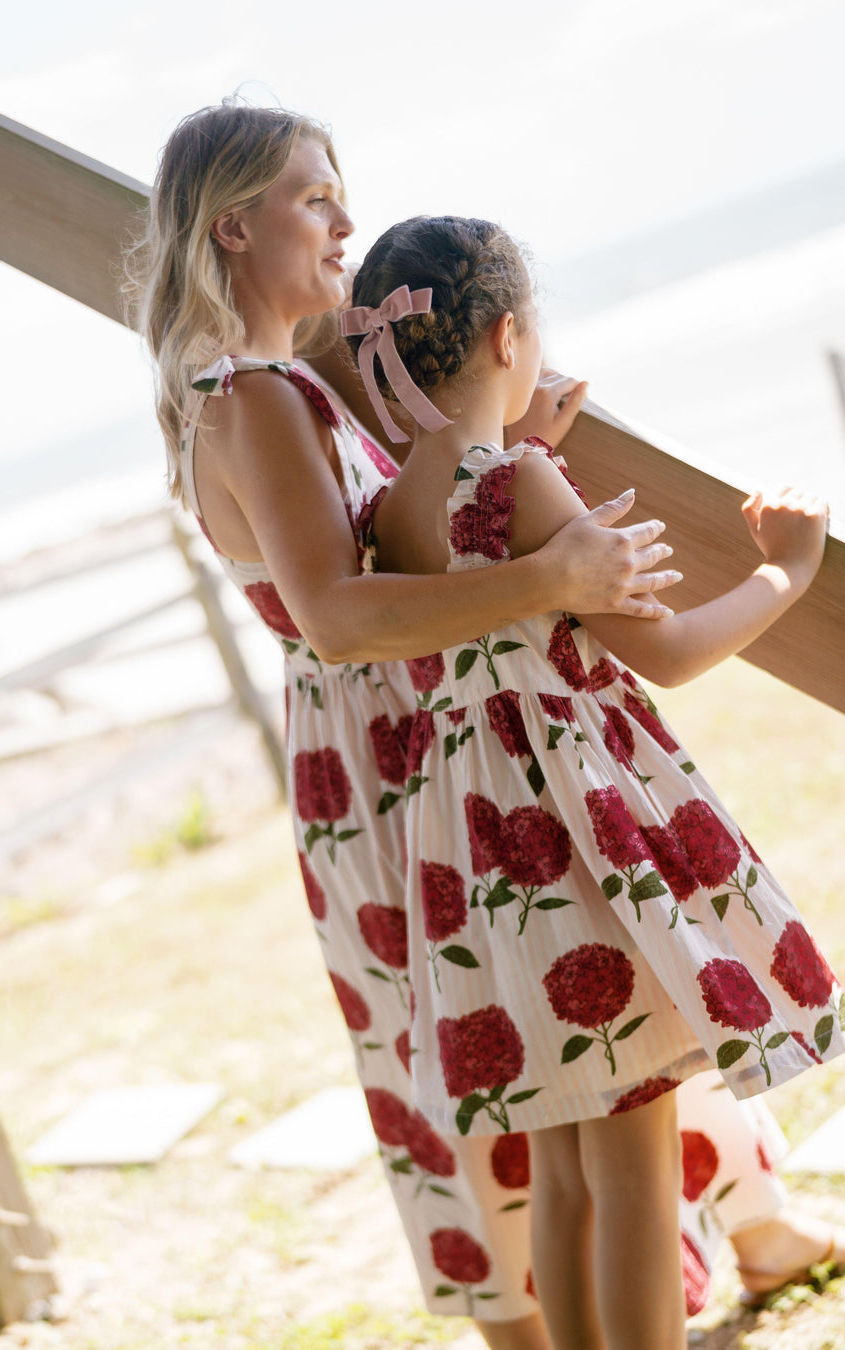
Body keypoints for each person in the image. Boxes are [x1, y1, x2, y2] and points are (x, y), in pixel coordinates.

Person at [135, 101, 844, 1349]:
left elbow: (424, 518)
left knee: (567, 1128)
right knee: (604, 1119)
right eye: (314, 199)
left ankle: (701, 1251)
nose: (342, 222)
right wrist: (562, 569)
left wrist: (511, 462)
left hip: (449, 776)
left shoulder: (294, 391)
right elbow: (346, 617)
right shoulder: (254, 399)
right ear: (234, 226)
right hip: (431, 772)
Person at [345, 213, 842, 1349]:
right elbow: (664, 649)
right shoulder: (520, 482)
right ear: (511, 335)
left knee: (565, 1170)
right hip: (574, 840)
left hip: (474, 846)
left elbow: (476, 549)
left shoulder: (392, 508)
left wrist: (538, 451)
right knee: (635, 1164)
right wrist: (784, 571)